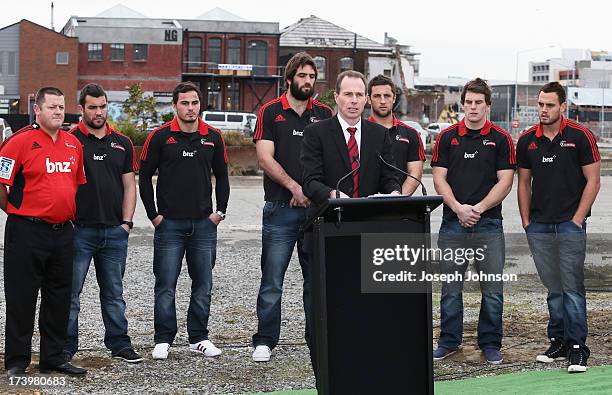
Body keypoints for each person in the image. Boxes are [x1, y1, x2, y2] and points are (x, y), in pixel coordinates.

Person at [139, 82, 230, 360]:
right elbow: (143, 177)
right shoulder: (159, 137)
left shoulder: (213, 137)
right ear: (174, 106)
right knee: (166, 284)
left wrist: (220, 212)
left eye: (194, 103)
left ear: (200, 105)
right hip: (169, 226)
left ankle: (198, 338)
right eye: (184, 103)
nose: (190, 108)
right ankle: (163, 339)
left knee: (203, 284)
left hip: (204, 224)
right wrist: (154, 215)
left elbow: (223, 177)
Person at [0, 87, 87, 376]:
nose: (58, 112)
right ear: (37, 110)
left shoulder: (74, 144)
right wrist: (16, 211)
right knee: (21, 297)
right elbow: (1, 184)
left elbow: (75, 184)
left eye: (62, 107)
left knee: (58, 298)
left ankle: (53, 358)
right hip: (26, 231)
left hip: (62, 234)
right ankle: (16, 360)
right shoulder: (18, 142)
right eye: (52, 107)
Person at [251, 52, 332, 362]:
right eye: (302, 76)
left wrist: (313, 191)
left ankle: (317, 339)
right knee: (272, 280)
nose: (307, 81)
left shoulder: (324, 114)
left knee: (317, 281)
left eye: (311, 76)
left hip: (316, 211)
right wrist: (294, 187)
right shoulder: (271, 112)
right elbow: (264, 158)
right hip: (280, 210)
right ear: (289, 79)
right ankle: (265, 340)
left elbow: (331, 158)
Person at [430, 78, 516, 364]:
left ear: (487, 106)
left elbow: (506, 181)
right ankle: (449, 341)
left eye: (479, 102)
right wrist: (457, 208)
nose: (473, 107)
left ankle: (490, 343)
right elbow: (439, 179)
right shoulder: (447, 137)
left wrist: (477, 208)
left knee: (492, 289)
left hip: (489, 225)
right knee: (451, 289)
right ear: (462, 104)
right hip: (453, 225)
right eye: (468, 102)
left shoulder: (501, 139)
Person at [517, 82, 600, 373]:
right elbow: (524, 183)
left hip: (569, 225)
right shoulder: (527, 140)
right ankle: (559, 341)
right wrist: (527, 222)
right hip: (539, 226)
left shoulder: (580, 136)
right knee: (553, 288)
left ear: (562, 106)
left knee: (572, 288)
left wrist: (577, 219)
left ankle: (578, 348)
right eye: (540, 104)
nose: (543, 110)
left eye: (549, 105)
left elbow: (593, 181)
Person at [63, 83, 142, 364]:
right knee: (71, 295)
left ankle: (120, 344)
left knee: (114, 294)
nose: (99, 112)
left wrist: (126, 223)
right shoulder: (70, 141)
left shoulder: (122, 142)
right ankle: (66, 348)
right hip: (78, 231)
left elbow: (129, 186)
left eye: (103, 106)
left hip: (114, 232)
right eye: (93, 107)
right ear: (81, 109)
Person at [301, 70, 401, 204]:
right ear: (336, 97)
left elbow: (389, 177)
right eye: (348, 94)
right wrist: (333, 194)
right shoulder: (315, 132)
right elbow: (310, 181)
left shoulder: (380, 134)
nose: (354, 101)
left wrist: (394, 193)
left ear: (366, 99)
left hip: (369, 218)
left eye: (359, 95)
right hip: (330, 217)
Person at [366, 74, 426, 195]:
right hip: (363, 205)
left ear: (394, 98)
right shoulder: (357, 132)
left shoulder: (411, 134)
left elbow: (415, 173)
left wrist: (396, 200)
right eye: (377, 96)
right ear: (368, 99)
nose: (382, 101)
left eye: (387, 96)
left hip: (399, 206)